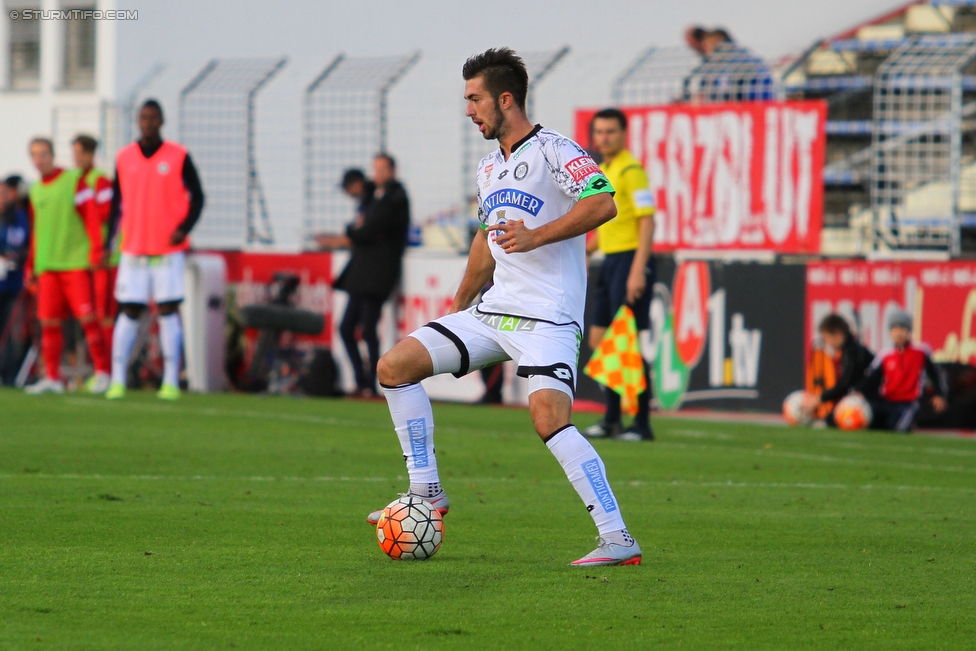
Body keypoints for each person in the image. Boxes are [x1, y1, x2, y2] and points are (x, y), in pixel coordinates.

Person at [366, 48, 641, 567]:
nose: (469, 110)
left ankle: (618, 538)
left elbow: (604, 202)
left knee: (547, 418)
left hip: (549, 318)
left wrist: (536, 236)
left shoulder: (558, 150)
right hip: (493, 313)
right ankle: (426, 492)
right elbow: (484, 240)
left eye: (475, 99)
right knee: (395, 366)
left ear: (506, 99)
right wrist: (457, 307)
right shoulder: (489, 166)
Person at [104, 99, 205, 400]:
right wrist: (108, 240)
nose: (147, 122)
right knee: (130, 310)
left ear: (162, 120)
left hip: (166, 250)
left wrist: (183, 229)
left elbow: (198, 197)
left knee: (167, 310)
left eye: (153, 117)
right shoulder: (124, 156)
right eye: (143, 117)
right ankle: (118, 379)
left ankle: (171, 380)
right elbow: (115, 203)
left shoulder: (178, 155)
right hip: (133, 247)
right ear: (137, 121)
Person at [582, 108, 657, 442]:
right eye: (599, 132)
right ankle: (612, 419)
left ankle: (640, 423)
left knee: (625, 344)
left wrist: (637, 270)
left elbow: (647, 220)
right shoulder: (604, 171)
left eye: (611, 131)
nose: (604, 138)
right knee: (600, 341)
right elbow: (610, 223)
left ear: (624, 134)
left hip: (630, 262)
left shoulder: (632, 170)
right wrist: (585, 250)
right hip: (610, 261)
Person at [22, 138, 111, 394]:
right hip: (48, 266)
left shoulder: (74, 181)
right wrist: (31, 265)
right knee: (48, 323)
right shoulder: (36, 190)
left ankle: (103, 372)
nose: (39, 160)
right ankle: (53, 377)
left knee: (88, 318)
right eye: (34, 155)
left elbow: (92, 217)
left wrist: (96, 250)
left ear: (52, 155)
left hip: (74, 263)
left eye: (43, 154)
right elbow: (36, 232)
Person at [322, 159, 410, 397]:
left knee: (368, 329)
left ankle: (372, 384)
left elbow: (369, 227)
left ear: (392, 170)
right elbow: (366, 227)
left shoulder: (395, 197)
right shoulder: (376, 196)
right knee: (347, 328)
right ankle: (362, 381)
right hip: (363, 271)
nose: (377, 174)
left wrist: (355, 230)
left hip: (378, 272)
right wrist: (358, 229)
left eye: (381, 169)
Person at [858, 310, 947, 433]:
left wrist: (940, 395)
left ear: (909, 331)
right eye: (894, 329)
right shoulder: (885, 354)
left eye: (902, 329)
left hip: (909, 403)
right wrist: (859, 393)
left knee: (896, 428)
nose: (898, 333)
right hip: (886, 400)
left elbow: (936, 374)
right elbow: (871, 378)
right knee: (868, 422)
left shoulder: (920, 351)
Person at [73, 134, 117, 353]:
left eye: (81, 153)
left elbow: (109, 212)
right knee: (88, 314)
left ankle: (110, 369)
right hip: (83, 256)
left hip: (103, 257)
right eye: (75, 153)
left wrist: (85, 209)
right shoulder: (74, 180)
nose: (76, 158)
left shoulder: (99, 180)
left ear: (91, 154)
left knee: (104, 314)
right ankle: (101, 368)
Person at [804, 314, 874, 427]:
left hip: (871, 401)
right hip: (865, 398)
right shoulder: (849, 350)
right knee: (832, 419)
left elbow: (845, 384)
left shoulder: (852, 352)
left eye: (827, 338)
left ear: (838, 335)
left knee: (835, 420)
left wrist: (819, 398)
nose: (827, 342)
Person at [0, 175, 30, 384]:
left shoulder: (20, 216)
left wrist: (16, 257)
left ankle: (9, 375)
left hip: (12, 284)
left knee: (10, 331)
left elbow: (28, 244)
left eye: (4, 194)